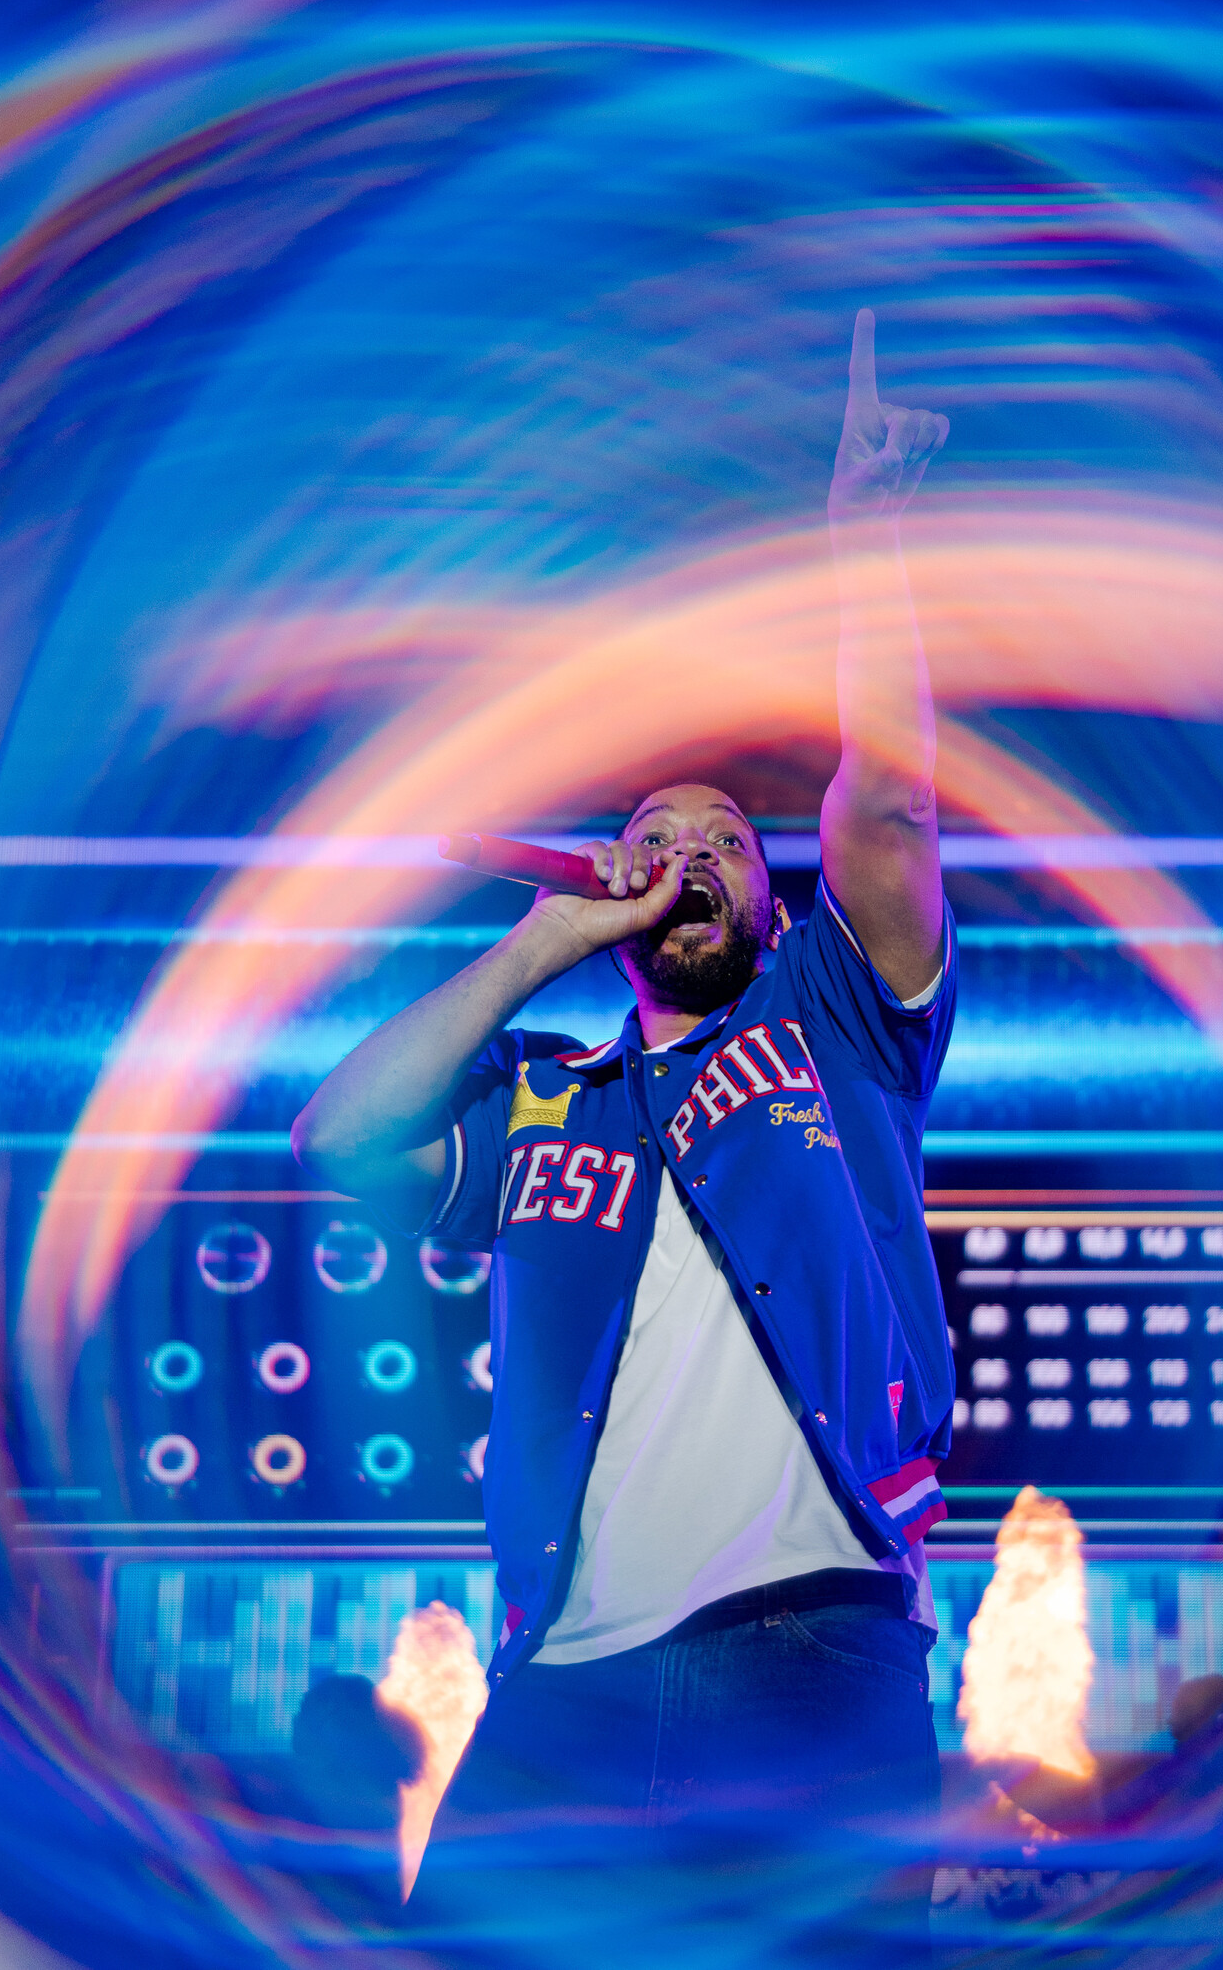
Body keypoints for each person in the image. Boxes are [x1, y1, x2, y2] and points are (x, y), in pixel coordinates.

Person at [292, 311, 957, 1829]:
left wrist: (866, 544)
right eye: (655, 842)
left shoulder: (831, 1020)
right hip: (561, 1694)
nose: (690, 856)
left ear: (776, 906)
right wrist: (538, 947)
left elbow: (893, 810)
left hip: (813, 1655)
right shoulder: (546, 1097)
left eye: (727, 841)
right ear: (610, 889)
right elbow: (338, 1138)